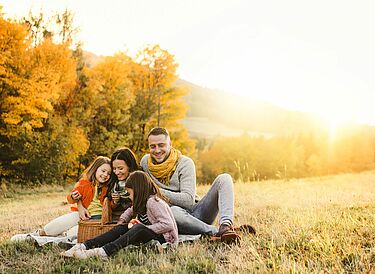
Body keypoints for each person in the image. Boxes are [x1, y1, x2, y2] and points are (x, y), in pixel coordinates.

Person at [140, 127, 255, 243]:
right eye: (152, 146)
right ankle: (218, 232)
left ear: (170, 144)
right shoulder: (145, 163)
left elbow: (188, 201)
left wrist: (156, 191)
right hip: (171, 219)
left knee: (224, 178)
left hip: (197, 212)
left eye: (161, 145)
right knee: (173, 211)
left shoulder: (185, 163)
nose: (157, 150)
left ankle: (225, 225)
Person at [62, 171, 178, 259]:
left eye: (130, 193)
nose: (129, 196)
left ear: (138, 191)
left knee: (137, 228)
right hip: (150, 235)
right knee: (123, 227)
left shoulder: (153, 202)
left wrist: (143, 228)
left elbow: (167, 224)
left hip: (164, 240)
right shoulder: (141, 202)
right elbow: (129, 211)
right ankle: (84, 246)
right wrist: (122, 221)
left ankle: (104, 252)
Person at [11, 156, 112, 240]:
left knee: (72, 235)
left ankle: (46, 239)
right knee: (60, 223)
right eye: (103, 171)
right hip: (80, 215)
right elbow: (70, 198)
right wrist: (74, 197)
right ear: (95, 169)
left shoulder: (107, 188)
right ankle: (39, 234)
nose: (105, 175)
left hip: (94, 221)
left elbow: (110, 205)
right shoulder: (84, 183)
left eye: (108, 174)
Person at [108, 147, 139, 220]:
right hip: (116, 218)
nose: (117, 172)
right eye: (114, 169)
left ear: (130, 166)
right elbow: (109, 205)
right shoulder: (113, 183)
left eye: (120, 168)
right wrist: (115, 201)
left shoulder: (139, 181)